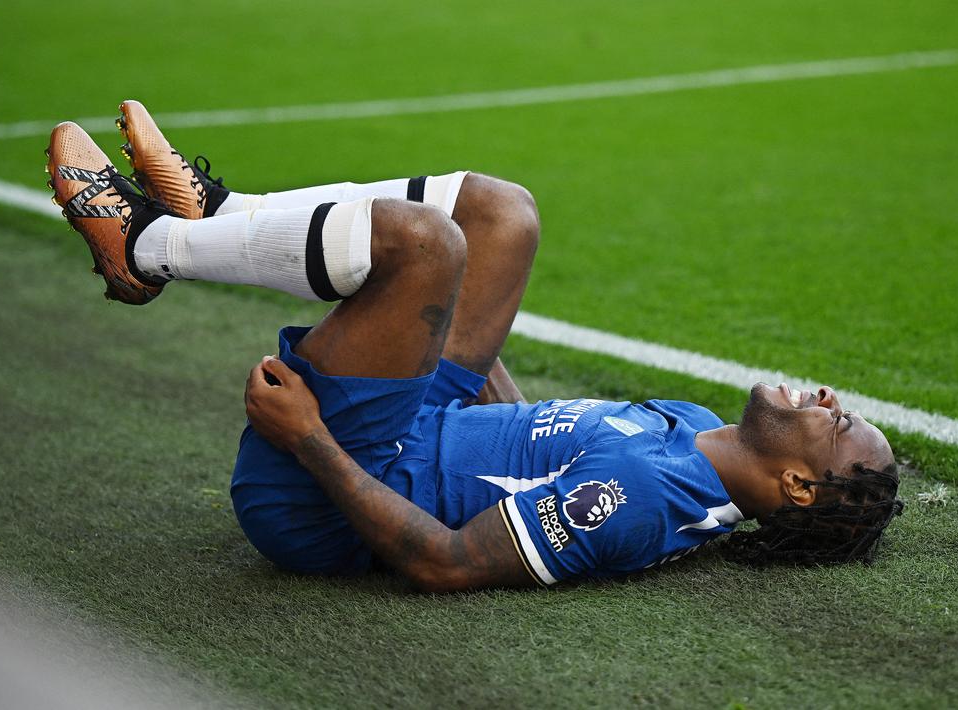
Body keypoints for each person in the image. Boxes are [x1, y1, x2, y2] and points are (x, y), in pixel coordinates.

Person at [45, 101, 903, 592]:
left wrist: (307, 438)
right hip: (425, 422)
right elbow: (523, 443)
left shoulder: (642, 501)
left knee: (425, 245)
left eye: (836, 424)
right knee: (501, 215)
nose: (828, 399)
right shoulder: (690, 428)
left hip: (329, 488)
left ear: (794, 484)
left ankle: (145, 250)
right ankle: (221, 212)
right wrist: (460, 343)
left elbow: (447, 563)